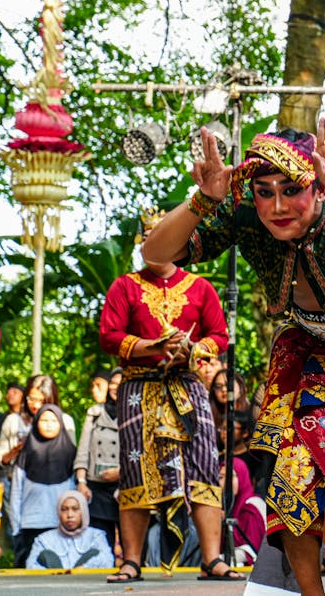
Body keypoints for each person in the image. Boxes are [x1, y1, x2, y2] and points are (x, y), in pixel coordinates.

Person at [142, 116, 325, 596]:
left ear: (317, 188)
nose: (276, 206)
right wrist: (205, 198)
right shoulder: (245, 214)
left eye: (291, 189)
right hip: (305, 341)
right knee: (288, 465)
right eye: (264, 191)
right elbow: (156, 251)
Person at [99, 207, 234, 582]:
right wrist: (152, 346)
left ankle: (211, 558)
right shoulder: (124, 286)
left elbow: (219, 336)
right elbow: (109, 336)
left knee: (204, 465)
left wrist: (192, 349)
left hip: (187, 387)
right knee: (136, 468)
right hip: (139, 388)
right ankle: (131, 561)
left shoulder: (200, 287)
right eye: (148, 238)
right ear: (142, 244)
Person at [9, 404, 77, 567]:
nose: (48, 424)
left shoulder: (71, 454)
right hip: (30, 526)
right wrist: (16, 528)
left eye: (53, 420)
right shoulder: (26, 454)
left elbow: (76, 493)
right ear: (36, 422)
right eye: (44, 420)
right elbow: (16, 493)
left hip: (62, 527)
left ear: (61, 423)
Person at [73, 371, 119, 552]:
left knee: (132, 540)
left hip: (125, 485)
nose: (116, 387)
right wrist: (81, 481)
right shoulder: (94, 413)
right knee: (100, 540)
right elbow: (83, 449)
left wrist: (121, 472)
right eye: (113, 383)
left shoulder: (135, 414)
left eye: (121, 383)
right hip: (96, 487)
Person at [25, 490, 113, 570]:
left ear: (83, 511)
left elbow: (108, 561)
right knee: (47, 555)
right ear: (58, 512)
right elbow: (31, 565)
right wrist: (57, 574)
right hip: (54, 584)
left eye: (75, 509)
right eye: (64, 509)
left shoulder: (96, 536)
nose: (70, 515)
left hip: (85, 583)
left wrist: (82, 569)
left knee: (95, 553)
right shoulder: (43, 540)